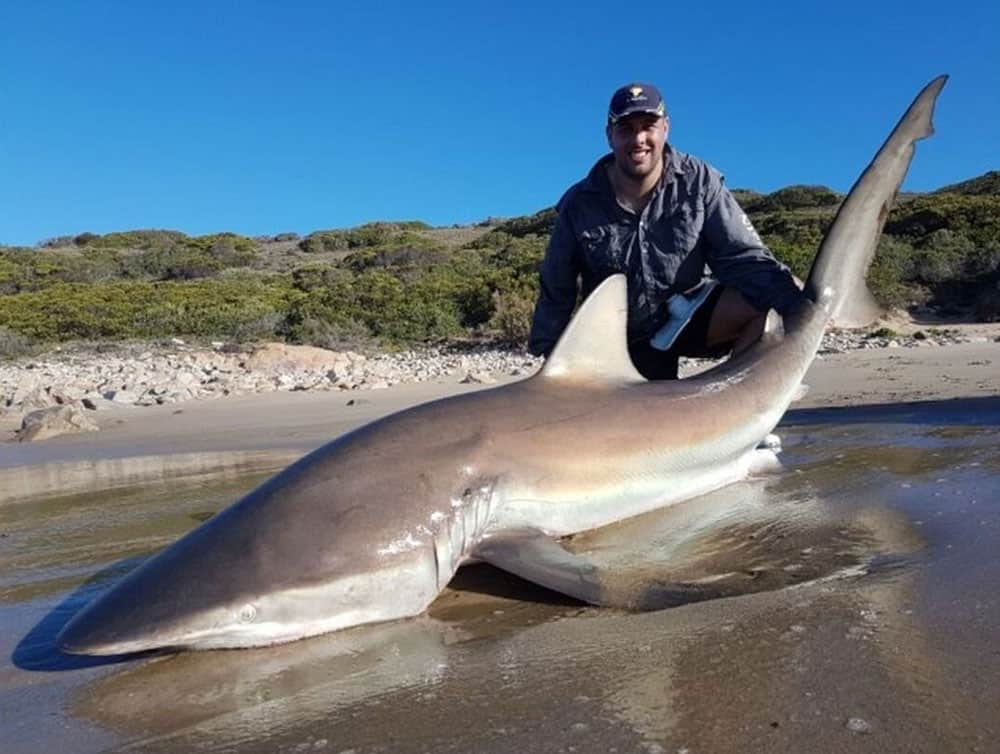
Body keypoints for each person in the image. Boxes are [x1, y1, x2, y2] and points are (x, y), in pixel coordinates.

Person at [528, 82, 805, 379]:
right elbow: (557, 290)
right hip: (621, 342)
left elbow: (742, 258)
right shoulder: (578, 204)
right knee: (631, 423)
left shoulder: (699, 181)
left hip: (684, 315)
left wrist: (799, 302)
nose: (639, 139)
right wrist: (549, 365)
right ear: (610, 136)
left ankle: (737, 403)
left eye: (649, 126)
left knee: (776, 299)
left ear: (666, 128)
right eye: (626, 129)